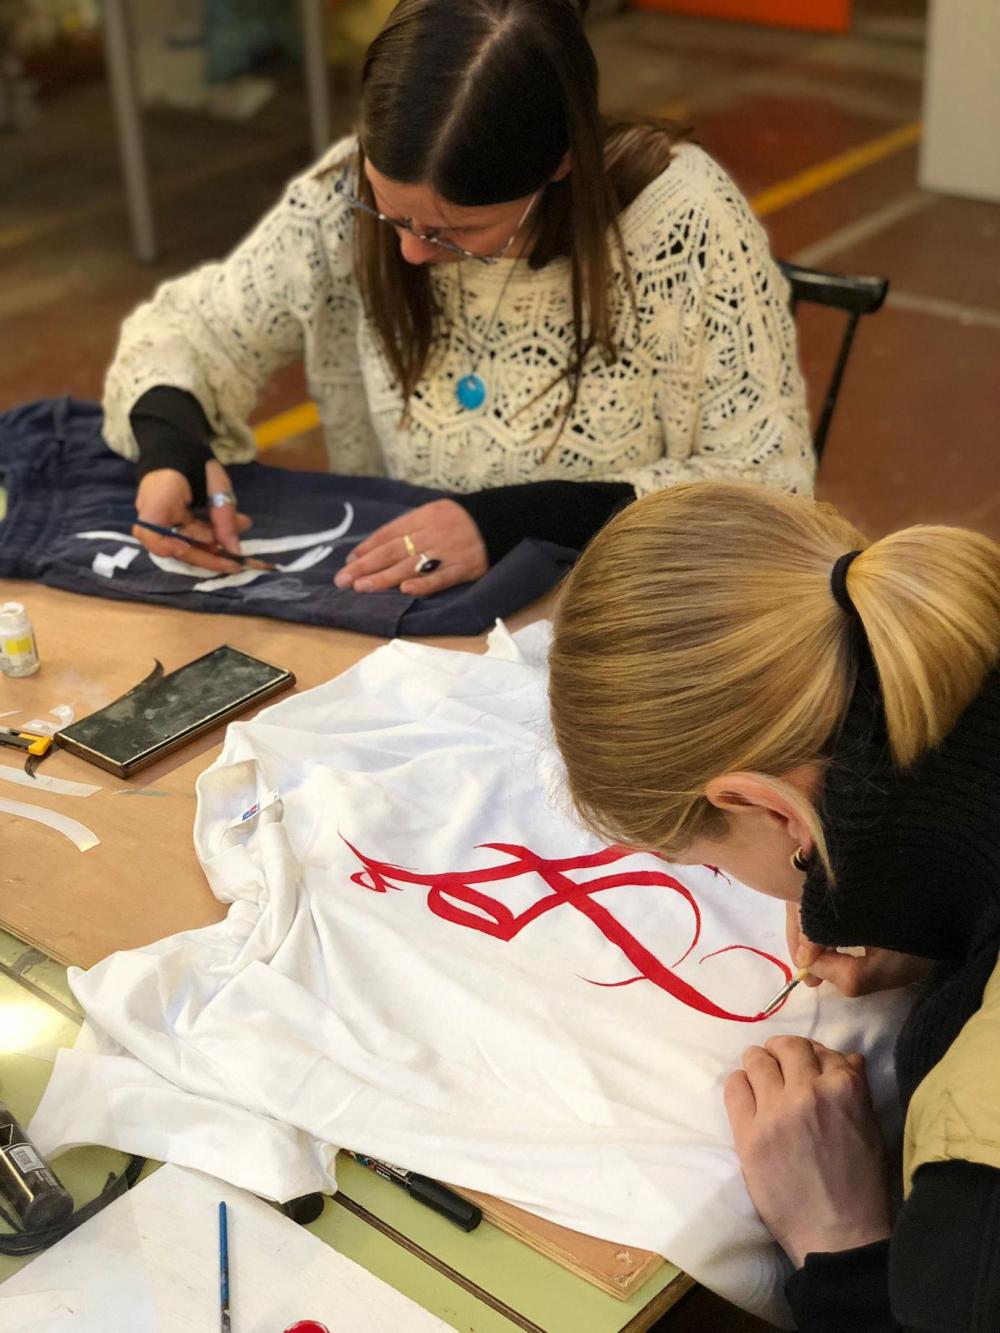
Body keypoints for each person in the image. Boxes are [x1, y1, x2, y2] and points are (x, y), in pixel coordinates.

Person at [102, 0, 811, 596]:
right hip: (410, 617)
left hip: (615, 620)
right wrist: (172, 449)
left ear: (560, 162)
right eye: (392, 213)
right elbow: (190, 332)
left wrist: (515, 521)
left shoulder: (680, 223)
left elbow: (766, 488)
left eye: (457, 232)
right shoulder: (341, 200)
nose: (411, 251)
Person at [547, 480, 1000, 1331]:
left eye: (711, 867)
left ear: (777, 814)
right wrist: (938, 925)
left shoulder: (975, 1198)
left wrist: (845, 1244)